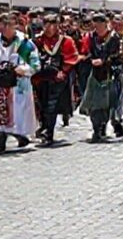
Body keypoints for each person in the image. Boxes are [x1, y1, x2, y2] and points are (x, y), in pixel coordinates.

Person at [0, 13, 39, 154]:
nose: (4, 28)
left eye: (9, 25)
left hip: (17, 84)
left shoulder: (24, 43)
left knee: (16, 113)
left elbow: (35, 64)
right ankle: (1, 141)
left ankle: (20, 135)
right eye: (2, 25)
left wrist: (22, 69)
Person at [33, 14, 79, 146]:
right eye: (47, 23)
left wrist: (63, 71)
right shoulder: (38, 40)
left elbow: (72, 57)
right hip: (41, 78)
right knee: (41, 104)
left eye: (53, 23)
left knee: (51, 106)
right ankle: (43, 126)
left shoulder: (66, 40)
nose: (50, 27)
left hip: (58, 78)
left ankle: (49, 132)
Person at [79, 13, 122, 142]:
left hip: (109, 74)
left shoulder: (113, 37)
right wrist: (89, 59)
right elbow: (87, 51)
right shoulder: (91, 37)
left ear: (105, 23)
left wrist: (104, 61)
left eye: (100, 23)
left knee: (106, 103)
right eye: (96, 23)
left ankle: (103, 126)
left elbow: (116, 55)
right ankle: (96, 128)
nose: (98, 26)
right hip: (94, 74)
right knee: (93, 103)